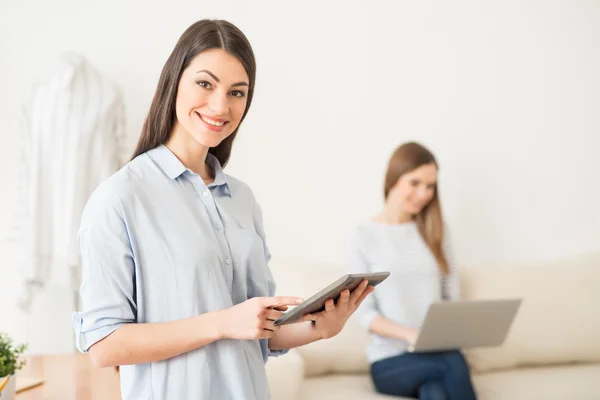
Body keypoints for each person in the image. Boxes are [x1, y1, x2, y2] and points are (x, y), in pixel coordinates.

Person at [72, 19, 373, 400]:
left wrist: (322, 328)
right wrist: (221, 323)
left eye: (236, 92)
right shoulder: (119, 199)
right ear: (174, 81)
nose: (220, 105)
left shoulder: (242, 200)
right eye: (205, 83)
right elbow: (104, 345)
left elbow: (260, 331)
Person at [347, 142, 477, 400]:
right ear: (394, 178)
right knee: (451, 362)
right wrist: (411, 335)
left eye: (430, 186)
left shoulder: (437, 229)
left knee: (434, 391)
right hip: (391, 361)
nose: (423, 194)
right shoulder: (362, 235)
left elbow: (451, 297)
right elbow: (365, 314)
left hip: (437, 350)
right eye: (415, 183)